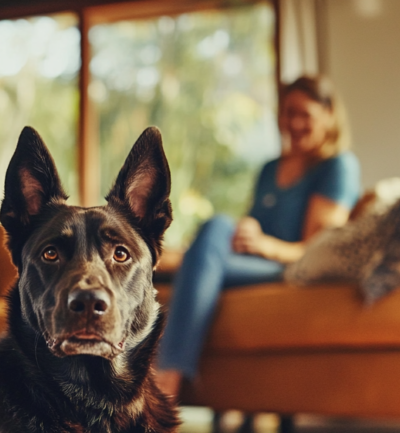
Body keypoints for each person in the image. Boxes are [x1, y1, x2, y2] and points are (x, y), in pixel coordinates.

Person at [155, 75, 361, 399]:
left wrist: (264, 244)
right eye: (286, 112)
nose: (292, 123)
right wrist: (248, 233)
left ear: (329, 114)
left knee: (209, 238)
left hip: (291, 269)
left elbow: (315, 251)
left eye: (303, 114)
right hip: (252, 262)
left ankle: (165, 382)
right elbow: (252, 231)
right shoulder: (270, 168)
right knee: (218, 227)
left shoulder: (337, 166)